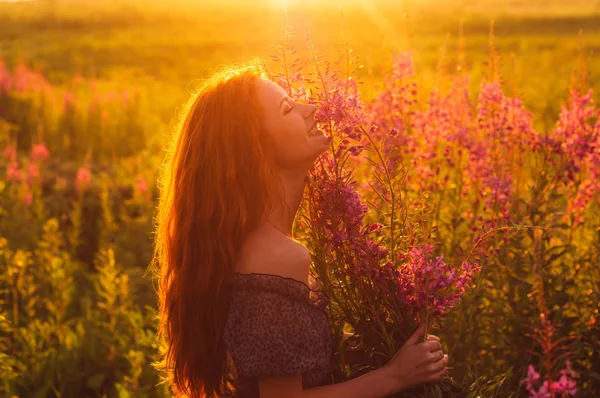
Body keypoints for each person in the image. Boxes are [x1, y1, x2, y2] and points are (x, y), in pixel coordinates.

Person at [151, 61, 449, 398]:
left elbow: (280, 357)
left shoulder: (252, 244)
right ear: (254, 147)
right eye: (287, 108)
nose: (312, 109)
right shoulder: (277, 257)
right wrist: (395, 376)